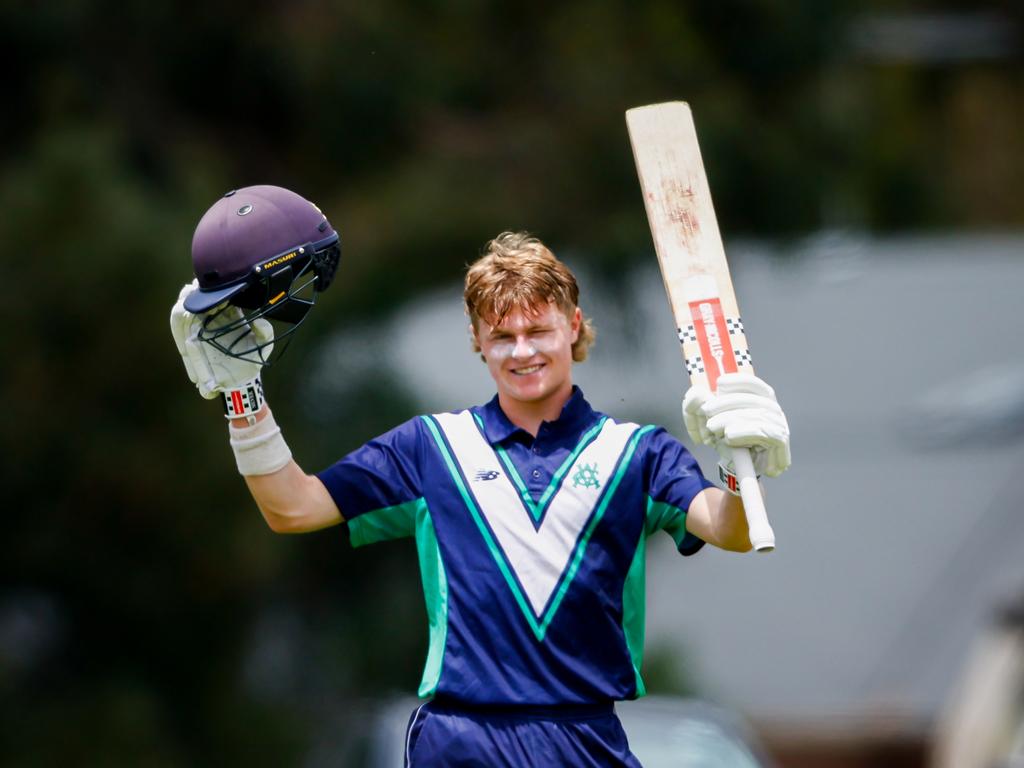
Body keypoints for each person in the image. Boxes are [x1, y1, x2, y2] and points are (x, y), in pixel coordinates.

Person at [170, 188, 791, 767]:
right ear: (477, 341)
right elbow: (293, 508)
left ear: (572, 326)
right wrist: (241, 397)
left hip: (585, 740)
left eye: (538, 331)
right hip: (460, 742)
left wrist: (742, 465)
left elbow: (731, 529)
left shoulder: (639, 453)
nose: (522, 352)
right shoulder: (429, 448)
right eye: (503, 336)